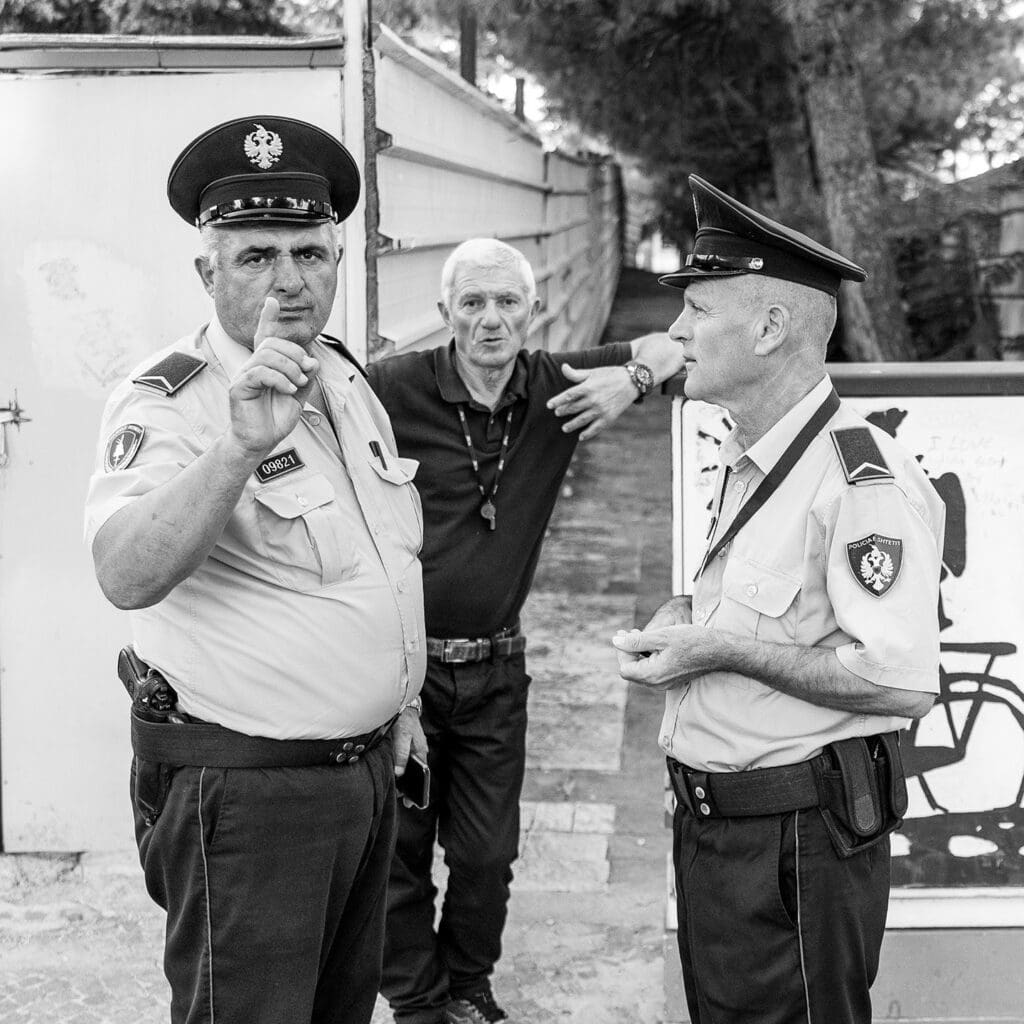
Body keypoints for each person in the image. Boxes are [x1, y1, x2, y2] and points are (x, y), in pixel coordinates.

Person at [84, 115, 427, 1024]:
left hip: (360, 777)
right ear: (209, 273)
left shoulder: (343, 376)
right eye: (257, 256)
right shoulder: (172, 400)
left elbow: (381, 558)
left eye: (310, 253)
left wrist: (402, 701)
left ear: (338, 260)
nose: (289, 280)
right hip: (247, 797)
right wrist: (236, 451)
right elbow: (124, 574)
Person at [613, 176, 945, 1024]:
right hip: (726, 835)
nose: (675, 331)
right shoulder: (752, 450)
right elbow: (776, 607)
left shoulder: (859, 476)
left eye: (697, 309)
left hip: (797, 843)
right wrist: (690, 619)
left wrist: (720, 649)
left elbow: (899, 680)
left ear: (769, 329)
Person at [368, 237, 686, 1024]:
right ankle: (420, 1003)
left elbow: (674, 341)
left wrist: (631, 381)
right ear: (445, 313)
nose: (490, 319)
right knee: (397, 855)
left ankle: (469, 985)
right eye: (472, 303)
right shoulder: (392, 387)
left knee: (487, 853)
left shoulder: (558, 383)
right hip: (398, 674)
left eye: (507, 301)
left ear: (532, 311)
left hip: (495, 671)